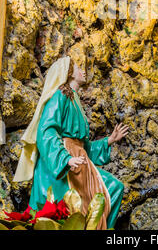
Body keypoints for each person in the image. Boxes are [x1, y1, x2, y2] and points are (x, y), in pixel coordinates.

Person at [13, 55, 128, 229]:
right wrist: (65, 158)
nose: (83, 71)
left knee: (115, 188)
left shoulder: (75, 101)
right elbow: (47, 130)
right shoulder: (60, 95)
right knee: (70, 211)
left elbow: (84, 147)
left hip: (80, 161)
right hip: (62, 164)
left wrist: (109, 140)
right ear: (68, 72)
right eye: (78, 68)